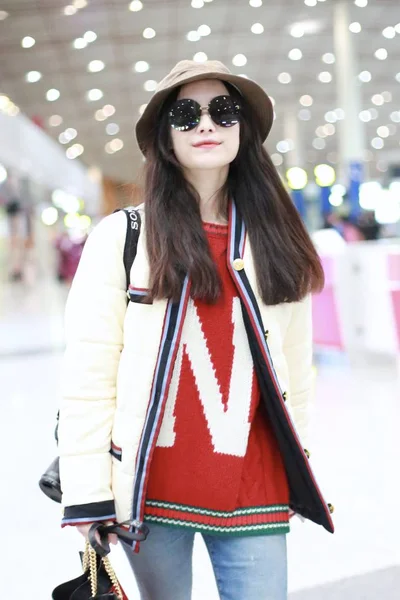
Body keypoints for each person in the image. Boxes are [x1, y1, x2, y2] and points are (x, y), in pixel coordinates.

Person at [58, 60, 334, 600]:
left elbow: (296, 374)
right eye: (186, 115)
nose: (206, 125)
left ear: (243, 129)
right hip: (150, 488)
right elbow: (90, 375)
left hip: (255, 484)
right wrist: (87, 497)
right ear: (164, 137)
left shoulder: (277, 242)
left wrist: (301, 470)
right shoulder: (124, 238)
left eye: (222, 111)